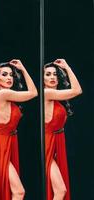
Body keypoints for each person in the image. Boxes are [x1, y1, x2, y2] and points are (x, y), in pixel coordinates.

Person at [0, 59, 37, 200]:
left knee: (10, 190)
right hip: (1, 144)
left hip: (8, 141)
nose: (9, 78)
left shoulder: (0, 93)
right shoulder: (3, 94)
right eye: (4, 75)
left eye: (11, 74)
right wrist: (22, 69)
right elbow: (33, 93)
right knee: (18, 192)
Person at [44, 59, 82, 200]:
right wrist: (67, 67)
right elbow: (77, 90)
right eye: (48, 74)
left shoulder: (56, 96)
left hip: (57, 141)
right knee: (60, 191)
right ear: (42, 78)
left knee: (59, 190)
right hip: (48, 143)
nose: (52, 77)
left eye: (55, 74)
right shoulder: (47, 92)